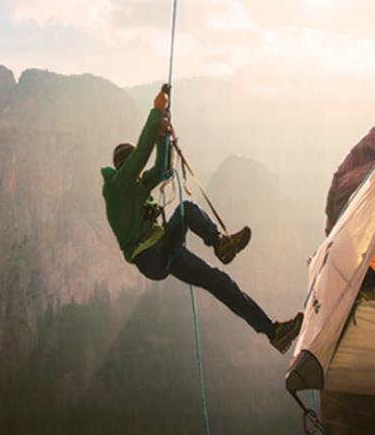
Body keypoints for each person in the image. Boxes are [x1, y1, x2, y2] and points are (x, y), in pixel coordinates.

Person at [101, 87, 303, 353]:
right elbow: (141, 154)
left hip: (161, 247)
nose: (139, 175)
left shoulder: (134, 186)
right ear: (124, 168)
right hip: (152, 255)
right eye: (134, 169)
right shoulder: (118, 187)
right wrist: (156, 111)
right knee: (215, 278)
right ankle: (270, 327)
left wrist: (163, 137)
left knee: (197, 233)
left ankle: (222, 247)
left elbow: (162, 170)